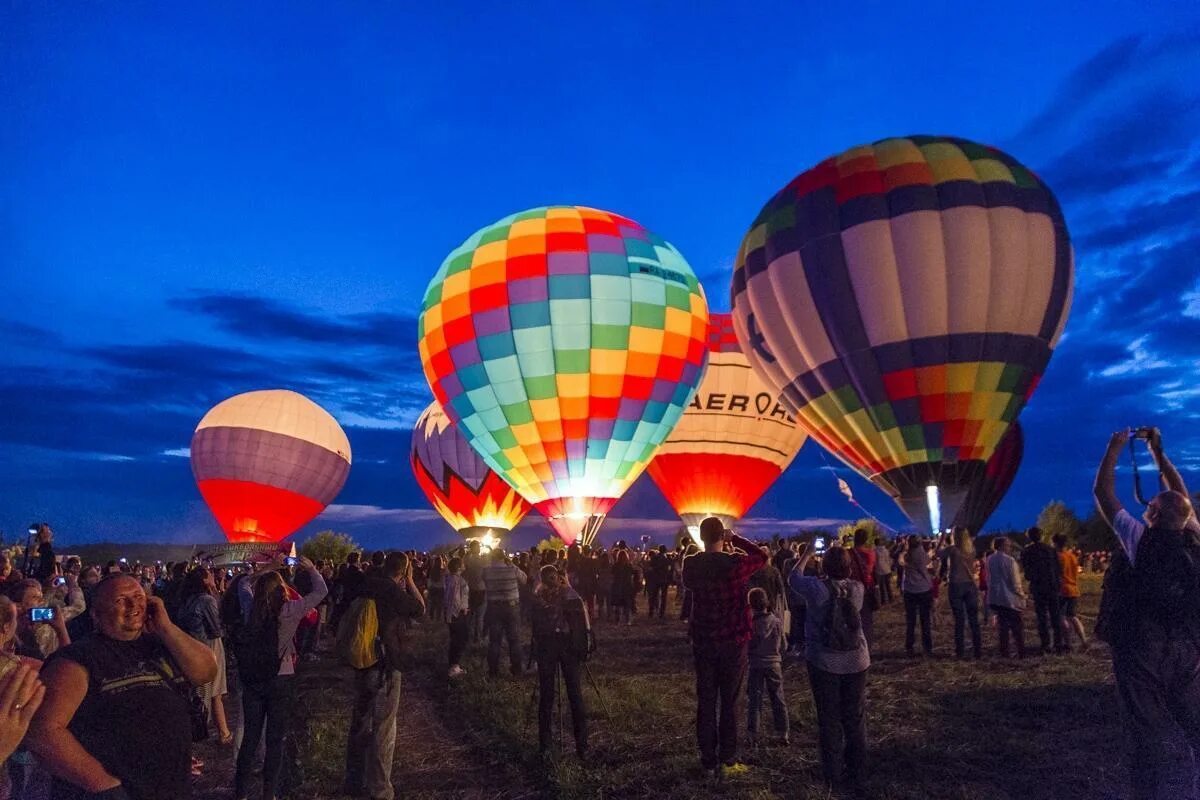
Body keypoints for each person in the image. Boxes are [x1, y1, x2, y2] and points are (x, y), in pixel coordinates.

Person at [27, 573, 218, 800]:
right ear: (96, 615)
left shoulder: (161, 645)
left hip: (171, 787)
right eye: (120, 600)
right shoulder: (77, 659)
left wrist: (166, 627)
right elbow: (43, 730)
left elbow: (206, 671)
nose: (133, 605)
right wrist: (104, 784)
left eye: (138, 596)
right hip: (118, 793)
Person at [1094, 428, 1200, 800]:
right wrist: (1158, 453)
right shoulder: (1195, 537)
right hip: (1188, 648)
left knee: (1146, 737)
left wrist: (1114, 447)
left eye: (1150, 505)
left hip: (1143, 650)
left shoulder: (1140, 538)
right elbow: (1180, 497)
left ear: (1153, 513)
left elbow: (1103, 495)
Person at [233, 557, 327, 800]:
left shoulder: (249, 607)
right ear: (282, 589)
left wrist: (262, 571)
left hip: (253, 680)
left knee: (250, 739)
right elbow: (321, 591)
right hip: (281, 677)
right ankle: (269, 794)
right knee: (275, 739)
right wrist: (311, 568)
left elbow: (243, 583)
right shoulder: (290, 610)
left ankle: (241, 794)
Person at [681, 517, 766, 777]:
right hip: (733, 640)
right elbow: (761, 556)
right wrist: (736, 539)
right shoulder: (735, 564)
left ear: (701, 536)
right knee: (730, 701)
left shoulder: (691, 565)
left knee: (706, 701)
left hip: (704, 641)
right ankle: (728, 760)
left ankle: (708, 760)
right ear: (722, 536)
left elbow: (686, 581)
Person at [788, 544, 869, 791]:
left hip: (824, 661)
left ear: (824, 566)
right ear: (848, 567)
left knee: (829, 719)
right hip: (856, 661)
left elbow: (793, 577)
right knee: (854, 719)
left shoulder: (816, 589)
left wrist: (806, 554)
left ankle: (833, 776)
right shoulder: (858, 589)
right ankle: (857, 773)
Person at [344, 552, 425, 800]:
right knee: (384, 725)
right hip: (385, 663)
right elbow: (420, 609)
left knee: (360, 722)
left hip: (362, 660)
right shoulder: (393, 591)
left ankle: (353, 781)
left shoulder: (365, 585)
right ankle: (380, 789)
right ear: (402, 570)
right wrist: (410, 582)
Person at [529, 565, 590, 758]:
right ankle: (582, 745)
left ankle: (545, 744)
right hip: (568, 647)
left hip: (549, 648)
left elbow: (534, 628)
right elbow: (583, 624)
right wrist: (583, 647)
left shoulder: (538, 599)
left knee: (548, 696)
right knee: (573, 694)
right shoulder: (572, 596)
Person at [175, 566, 233, 744]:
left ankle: (224, 733)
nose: (213, 576)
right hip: (209, 648)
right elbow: (216, 629)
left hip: (192, 648)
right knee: (206, 694)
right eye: (210, 576)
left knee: (213, 692)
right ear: (203, 580)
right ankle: (196, 736)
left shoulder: (187, 600)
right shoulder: (206, 600)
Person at [745, 587, 787, 746]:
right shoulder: (776, 621)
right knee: (778, 697)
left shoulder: (751, 625)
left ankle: (752, 734)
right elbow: (784, 644)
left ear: (750, 605)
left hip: (756, 664)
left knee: (754, 700)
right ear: (766, 602)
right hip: (774, 663)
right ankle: (783, 732)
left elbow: (749, 645)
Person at [1019, 527, 1066, 654]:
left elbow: (1027, 573)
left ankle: (1046, 644)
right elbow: (1059, 569)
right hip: (1052, 586)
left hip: (1038, 588)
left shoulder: (1026, 552)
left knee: (1042, 617)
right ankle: (1059, 644)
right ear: (1041, 535)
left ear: (1029, 537)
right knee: (1055, 616)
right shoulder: (1050, 550)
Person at [482, 548, 526, 678]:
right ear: (504, 557)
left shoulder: (486, 571)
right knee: (514, 640)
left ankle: (493, 672)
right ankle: (517, 670)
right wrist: (511, 564)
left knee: (494, 640)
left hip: (494, 607)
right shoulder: (512, 569)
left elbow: (483, 579)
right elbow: (524, 579)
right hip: (511, 607)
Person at [938, 527, 982, 659]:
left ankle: (960, 651)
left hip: (956, 585)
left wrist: (941, 539)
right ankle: (977, 650)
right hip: (970, 585)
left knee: (959, 620)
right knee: (973, 619)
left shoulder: (952, 550)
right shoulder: (971, 550)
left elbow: (937, 554)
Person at [986, 538, 1026, 658]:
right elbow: (1015, 582)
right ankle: (1021, 651)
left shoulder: (989, 559)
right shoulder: (1010, 561)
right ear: (1003, 546)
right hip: (1010, 598)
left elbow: (989, 578)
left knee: (1002, 626)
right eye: (1008, 546)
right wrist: (1021, 595)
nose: (1010, 548)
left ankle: (1004, 652)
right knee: (1017, 627)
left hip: (996, 597)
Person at [899, 535, 933, 657]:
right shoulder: (920, 554)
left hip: (909, 590)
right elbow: (927, 565)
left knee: (910, 620)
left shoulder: (905, 555)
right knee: (925, 620)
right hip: (923, 589)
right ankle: (927, 647)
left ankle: (909, 646)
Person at [1054, 534, 1087, 651]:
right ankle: (1084, 640)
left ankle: (1068, 643)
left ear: (1055, 543)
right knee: (1073, 616)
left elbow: (1057, 574)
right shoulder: (1072, 556)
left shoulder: (1058, 557)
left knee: (1061, 617)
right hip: (1073, 588)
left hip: (1062, 590)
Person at [847, 530, 877, 649]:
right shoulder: (871, 553)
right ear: (865, 539)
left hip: (851, 589)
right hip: (867, 587)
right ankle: (867, 647)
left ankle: (854, 645)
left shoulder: (848, 553)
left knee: (852, 618)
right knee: (867, 620)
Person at [444, 557, 470, 678]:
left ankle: (453, 665)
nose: (465, 564)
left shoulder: (451, 578)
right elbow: (454, 598)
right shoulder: (456, 580)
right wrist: (461, 609)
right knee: (460, 640)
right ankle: (454, 667)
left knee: (456, 639)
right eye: (463, 563)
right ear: (459, 566)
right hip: (457, 615)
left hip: (453, 614)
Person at [609, 550, 636, 625]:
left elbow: (612, 575)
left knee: (618, 605)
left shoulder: (615, 565)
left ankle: (617, 620)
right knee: (626, 604)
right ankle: (627, 620)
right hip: (627, 586)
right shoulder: (629, 565)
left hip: (617, 586)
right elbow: (632, 574)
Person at [644, 546, 671, 619]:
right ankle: (661, 613)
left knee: (653, 596)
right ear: (665, 550)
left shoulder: (654, 558)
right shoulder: (666, 559)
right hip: (663, 579)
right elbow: (668, 569)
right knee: (663, 597)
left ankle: (651, 611)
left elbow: (651, 567)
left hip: (655, 579)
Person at [873, 539, 893, 604]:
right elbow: (889, 559)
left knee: (881, 586)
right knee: (888, 585)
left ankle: (884, 600)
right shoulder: (886, 550)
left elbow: (874, 561)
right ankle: (891, 598)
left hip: (879, 570)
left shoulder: (874, 551)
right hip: (887, 569)